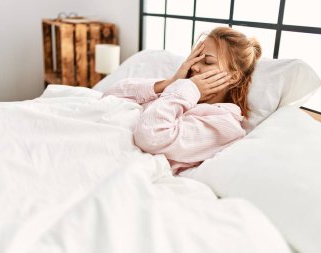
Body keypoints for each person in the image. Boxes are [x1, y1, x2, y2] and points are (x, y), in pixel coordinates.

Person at [103, 27, 262, 175]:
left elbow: (150, 137)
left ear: (233, 77)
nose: (194, 67)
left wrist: (189, 89)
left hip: (117, 161)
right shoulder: (177, 91)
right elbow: (109, 94)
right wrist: (170, 83)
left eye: (207, 62)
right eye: (195, 58)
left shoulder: (224, 125)